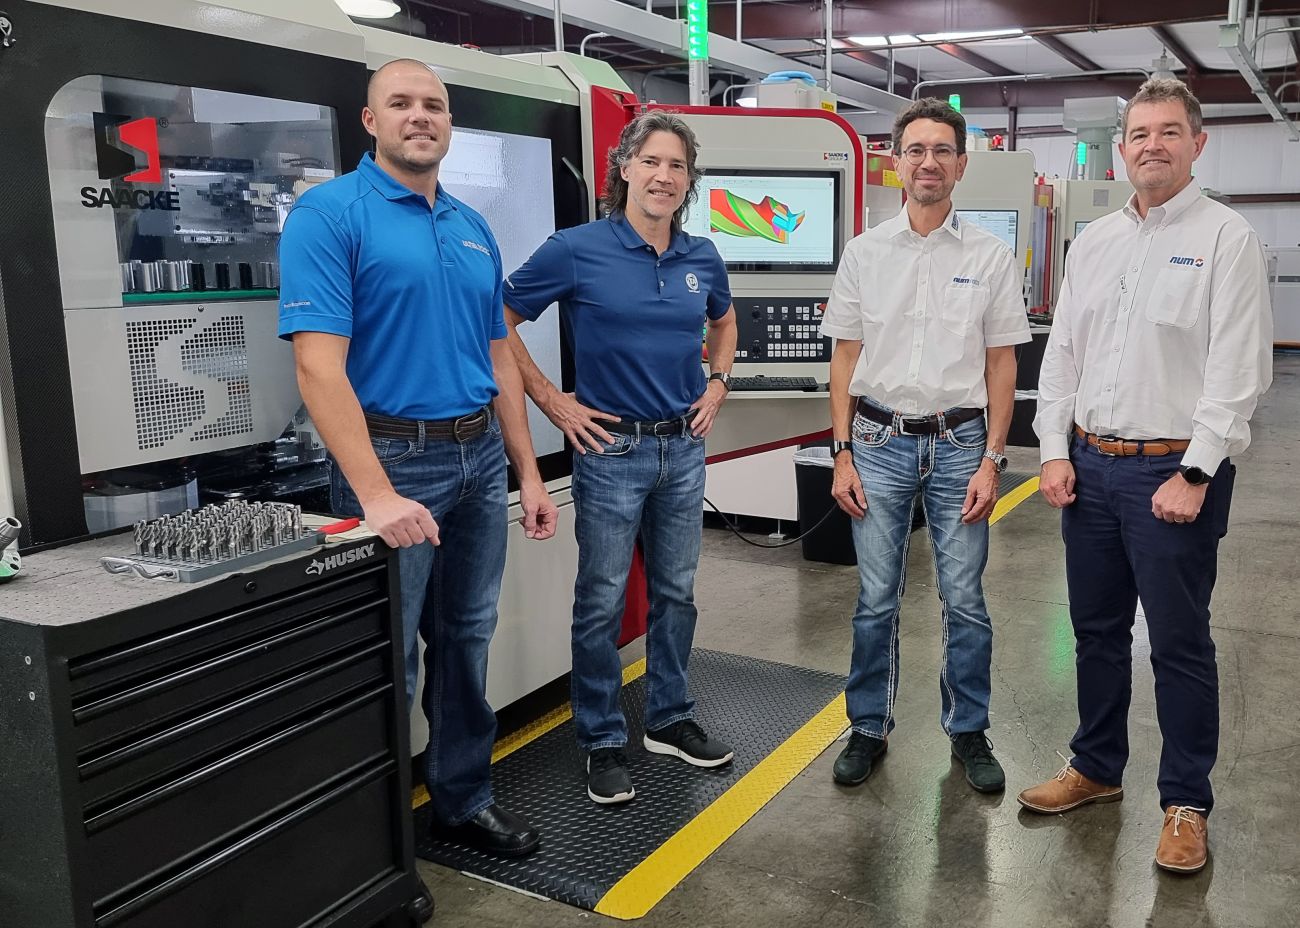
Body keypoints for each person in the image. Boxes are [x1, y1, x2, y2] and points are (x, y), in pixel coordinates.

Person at [278, 58, 559, 858]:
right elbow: (316, 367)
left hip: (475, 461)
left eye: (432, 105)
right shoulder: (330, 215)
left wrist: (528, 471)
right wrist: (374, 497)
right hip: (393, 464)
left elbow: (500, 358)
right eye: (399, 104)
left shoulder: (470, 226)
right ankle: (372, 845)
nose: (419, 116)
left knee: (466, 640)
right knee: (386, 660)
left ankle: (462, 803)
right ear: (371, 122)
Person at [1020, 78, 1272, 874]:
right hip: (1091, 468)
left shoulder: (1226, 238)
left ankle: (1186, 802)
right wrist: (1054, 449)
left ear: (1197, 144)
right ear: (1121, 147)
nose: (1152, 145)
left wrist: (1196, 472)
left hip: (1174, 474)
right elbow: (1063, 356)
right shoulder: (1092, 242)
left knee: (1178, 643)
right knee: (1094, 633)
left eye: (1169, 131)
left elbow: (1239, 371)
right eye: (1139, 133)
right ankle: (1096, 767)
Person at [501, 111, 738, 805]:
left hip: (682, 448)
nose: (664, 176)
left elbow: (723, 323)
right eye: (652, 162)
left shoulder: (702, 257)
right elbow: (499, 317)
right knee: (601, 601)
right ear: (625, 168)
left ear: (688, 181)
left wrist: (718, 382)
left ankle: (669, 717)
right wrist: (552, 400)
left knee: (676, 593)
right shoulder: (575, 249)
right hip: (610, 450)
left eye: (678, 166)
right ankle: (602, 740)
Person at [820, 98, 1030, 793]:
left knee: (964, 597)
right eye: (916, 149)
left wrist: (994, 459)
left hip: (961, 444)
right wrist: (842, 451)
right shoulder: (864, 253)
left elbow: (1003, 364)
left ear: (962, 164)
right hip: (877, 442)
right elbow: (845, 359)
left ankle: (968, 729)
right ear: (896, 161)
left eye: (942, 149)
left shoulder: (991, 257)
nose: (928, 161)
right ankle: (868, 727)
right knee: (876, 597)